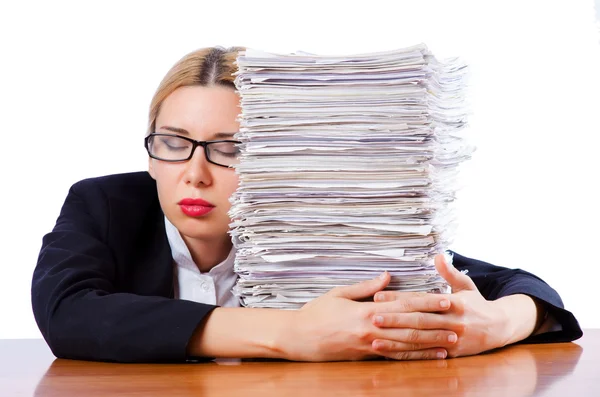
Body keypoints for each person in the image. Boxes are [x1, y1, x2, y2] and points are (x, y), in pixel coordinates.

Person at [31, 46, 582, 363]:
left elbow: (520, 286)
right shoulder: (104, 203)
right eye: (173, 144)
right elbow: (68, 314)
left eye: (231, 150)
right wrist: (289, 332)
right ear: (151, 152)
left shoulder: (309, 220)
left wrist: (498, 324)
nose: (194, 175)